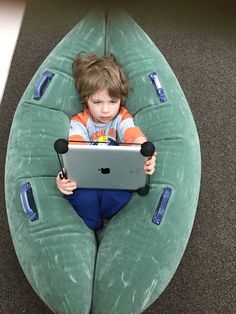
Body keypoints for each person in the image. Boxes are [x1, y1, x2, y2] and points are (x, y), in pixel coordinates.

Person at [56, 53, 156, 230]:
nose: (105, 109)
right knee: (82, 196)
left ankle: (109, 219)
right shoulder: (79, 121)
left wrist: (146, 154)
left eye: (113, 101)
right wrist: (63, 177)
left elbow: (132, 133)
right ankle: (92, 225)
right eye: (97, 102)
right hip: (88, 178)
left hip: (114, 178)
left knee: (118, 194)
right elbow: (75, 151)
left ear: (120, 99)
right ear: (86, 99)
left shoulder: (122, 117)